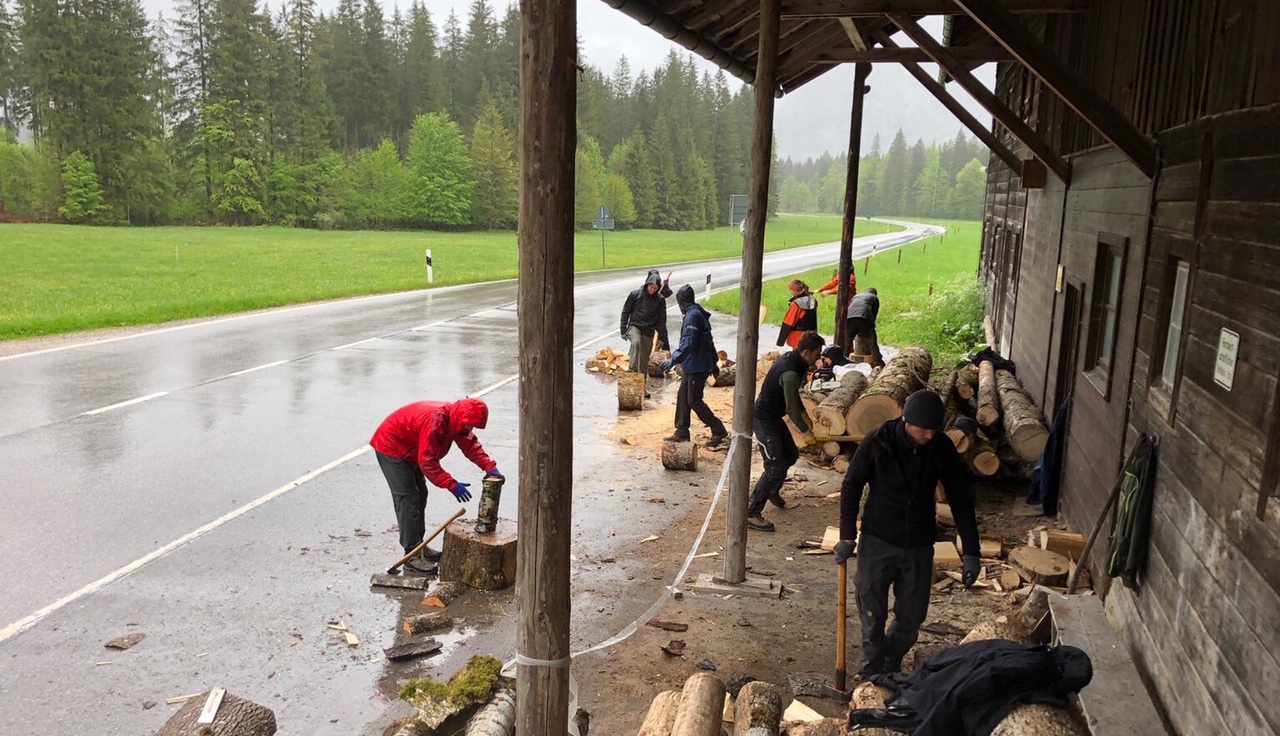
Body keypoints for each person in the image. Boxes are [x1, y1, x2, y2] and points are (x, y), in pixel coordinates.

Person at [833, 390, 982, 677]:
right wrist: (847, 535)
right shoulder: (878, 441)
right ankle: (872, 673)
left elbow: (961, 499)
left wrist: (972, 553)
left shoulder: (940, 448)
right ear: (906, 421)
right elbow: (852, 485)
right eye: (922, 429)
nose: (928, 435)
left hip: (919, 543)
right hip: (877, 539)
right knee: (872, 614)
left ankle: (891, 661)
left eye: (933, 430)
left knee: (911, 619)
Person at [371, 398, 501, 574]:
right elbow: (428, 462)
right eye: (469, 425)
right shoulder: (437, 421)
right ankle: (411, 556)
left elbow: (470, 445)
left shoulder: (457, 422)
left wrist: (489, 467)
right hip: (392, 446)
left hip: (411, 449)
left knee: (421, 494)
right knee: (408, 499)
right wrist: (451, 484)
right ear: (462, 418)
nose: (470, 429)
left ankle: (420, 547)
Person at [750, 330, 825, 531]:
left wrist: (805, 415)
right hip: (764, 418)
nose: (818, 359)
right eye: (817, 354)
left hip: (774, 416)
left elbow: (794, 400)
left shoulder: (796, 361)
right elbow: (791, 407)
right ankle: (751, 511)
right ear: (807, 352)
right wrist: (805, 431)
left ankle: (772, 489)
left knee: (790, 454)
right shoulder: (790, 372)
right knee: (774, 466)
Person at [659, 286, 729, 447]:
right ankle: (681, 432)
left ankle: (718, 430)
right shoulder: (697, 313)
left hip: (697, 366)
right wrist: (713, 362)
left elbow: (688, 343)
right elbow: (708, 340)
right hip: (694, 364)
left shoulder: (692, 316)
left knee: (694, 400)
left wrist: (673, 360)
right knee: (683, 397)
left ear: (682, 301)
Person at [620, 268, 671, 398]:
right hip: (634, 326)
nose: (652, 290)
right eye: (651, 287)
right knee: (636, 343)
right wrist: (623, 329)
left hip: (648, 331)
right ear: (647, 284)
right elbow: (625, 311)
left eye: (655, 288)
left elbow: (662, 321)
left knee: (644, 361)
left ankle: (642, 387)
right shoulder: (635, 295)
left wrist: (662, 340)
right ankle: (632, 372)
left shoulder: (660, 300)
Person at [846, 286, 883, 367]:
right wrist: (870, 327)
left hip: (849, 317)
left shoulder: (856, 296)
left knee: (848, 341)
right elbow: (874, 313)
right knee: (872, 340)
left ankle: (843, 358)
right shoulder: (874, 298)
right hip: (863, 317)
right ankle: (878, 362)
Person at [776, 279, 818, 349]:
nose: (790, 292)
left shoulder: (796, 304)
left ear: (795, 290)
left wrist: (780, 341)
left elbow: (788, 323)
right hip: (812, 335)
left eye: (791, 290)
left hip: (798, 337)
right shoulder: (812, 300)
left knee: (798, 357)